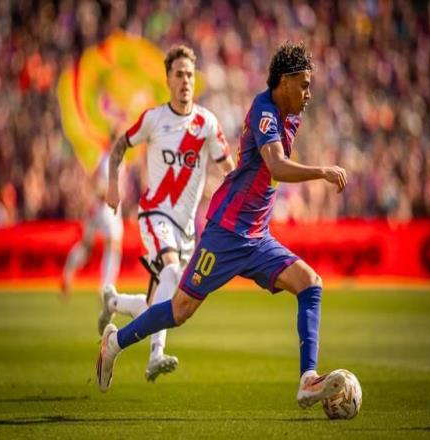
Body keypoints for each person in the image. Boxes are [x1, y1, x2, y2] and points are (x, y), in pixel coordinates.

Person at [98, 42, 348, 408]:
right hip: (226, 233)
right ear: (284, 81)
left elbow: (242, 167)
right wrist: (322, 171)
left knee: (310, 284)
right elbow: (276, 166)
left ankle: (308, 380)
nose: (309, 94)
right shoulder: (264, 110)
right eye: (304, 85)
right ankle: (115, 342)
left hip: (257, 237)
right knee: (180, 310)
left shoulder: (290, 116)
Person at [101, 45, 235, 382]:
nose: (185, 81)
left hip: (186, 230)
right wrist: (113, 184)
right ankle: (155, 355)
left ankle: (114, 302)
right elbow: (119, 146)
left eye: (189, 74)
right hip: (155, 215)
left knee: (160, 305)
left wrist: (241, 195)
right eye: (179, 74)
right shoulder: (154, 119)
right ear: (168, 80)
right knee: (173, 274)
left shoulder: (207, 123)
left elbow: (229, 170)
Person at [61, 153, 123, 298]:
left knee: (86, 246)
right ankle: (106, 288)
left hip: (94, 208)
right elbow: (103, 186)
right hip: (107, 209)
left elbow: (93, 179)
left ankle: (68, 272)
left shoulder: (100, 157)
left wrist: (90, 198)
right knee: (113, 246)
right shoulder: (113, 159)